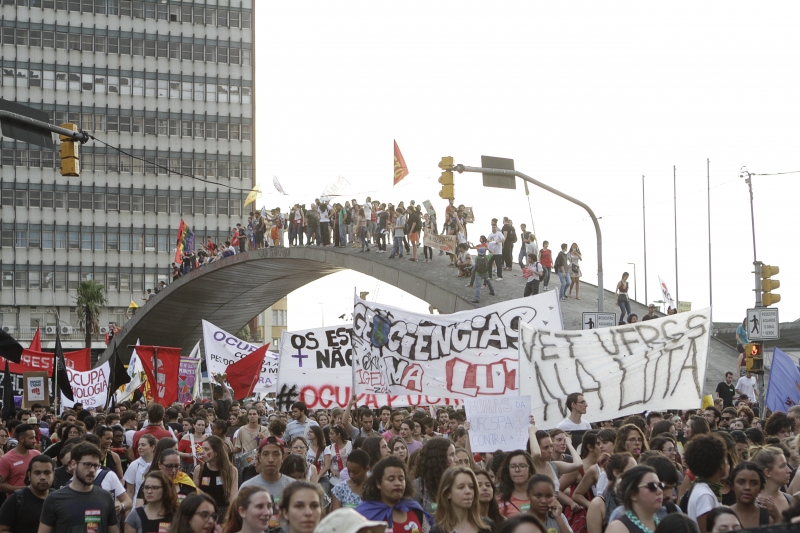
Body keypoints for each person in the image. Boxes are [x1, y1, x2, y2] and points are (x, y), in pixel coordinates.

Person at [39, 442, 119, 533]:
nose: (92, 470)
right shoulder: (55, 499)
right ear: (73, 464)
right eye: (87, 465)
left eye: (95, 466)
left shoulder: (106, 497)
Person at [357, 456, 431, 532]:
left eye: (401, 479)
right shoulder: (364, 514)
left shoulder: (415, 510)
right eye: (391, 479)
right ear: (378, 483)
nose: (397, 483)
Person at [683, 435, 727, 532]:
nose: (727, 463)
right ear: (721, 465)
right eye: (725, 459)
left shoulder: (702, 488)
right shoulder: (705, 495)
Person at [430, 466, 494, 533]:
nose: (468, 491)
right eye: (461, 487)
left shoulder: (487, 526)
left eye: (471, 487)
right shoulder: (438, 531)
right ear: (448, 493)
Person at [0, 454, 54, 533]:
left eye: (47, 473)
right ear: (29, 475)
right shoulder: (17, 499)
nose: (42, 477)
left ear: (53, 474)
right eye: (37, 473)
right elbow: (2, 529)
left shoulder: (58, 498)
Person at [586, 453, 637, 533]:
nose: (637, 474)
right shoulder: (598, 504)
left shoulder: (637, 499)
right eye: (632, 470)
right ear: (616, 473)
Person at [605, 466, 664, 533]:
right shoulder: (618, 528)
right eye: (652, 486)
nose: (660, 491)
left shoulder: (664, 525)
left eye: (660, 485)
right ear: (633, 494)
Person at [193, 436, 238, 521]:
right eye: (202, 449)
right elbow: (195, 495)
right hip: (204, 513)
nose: (202, 452)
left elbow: (233, 497)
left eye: (206, 449)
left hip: (224, 514)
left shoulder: (232, 470)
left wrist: (229, 517)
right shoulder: (199, 469)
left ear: (216, 452)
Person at [240, 437, 294, 504]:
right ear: (259, 458)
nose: (270, 460)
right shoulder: (247, 488)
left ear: (283, 458)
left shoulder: (293, 487)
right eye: (265, 454)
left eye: (276, 454)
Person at [414, 438, 457, 515]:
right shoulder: (418, 487)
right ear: (439, 459)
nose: (456, 459)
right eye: (451, 455)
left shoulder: (456, 484)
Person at [751, 446, 794, 517]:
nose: (789, 470)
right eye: (782, 466)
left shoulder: (790, 499)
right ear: (768, 472)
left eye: (787, 464)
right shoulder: (754, 503)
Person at [727, 462, 773, 528]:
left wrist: (778, 518)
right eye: (741, 482)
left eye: (753, 483)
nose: (747, 487)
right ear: (732, 486)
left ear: (760, 488)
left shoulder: (769, 515)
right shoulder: (723, 515)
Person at [0, 424, 40, 495]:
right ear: (21, 439)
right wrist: (25, 489)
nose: (34, 441)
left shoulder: (37, 454)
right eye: (31, 438)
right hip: (17, 500)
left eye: (34, 437)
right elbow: (1, 485)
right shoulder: (6, 459)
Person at [126, 434, 157, 505]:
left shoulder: (159, 464)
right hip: (138, 505)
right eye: (139, 445)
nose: (139, 447)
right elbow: (130, 491)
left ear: (152, 447)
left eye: (143, 445)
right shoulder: (134, 465)